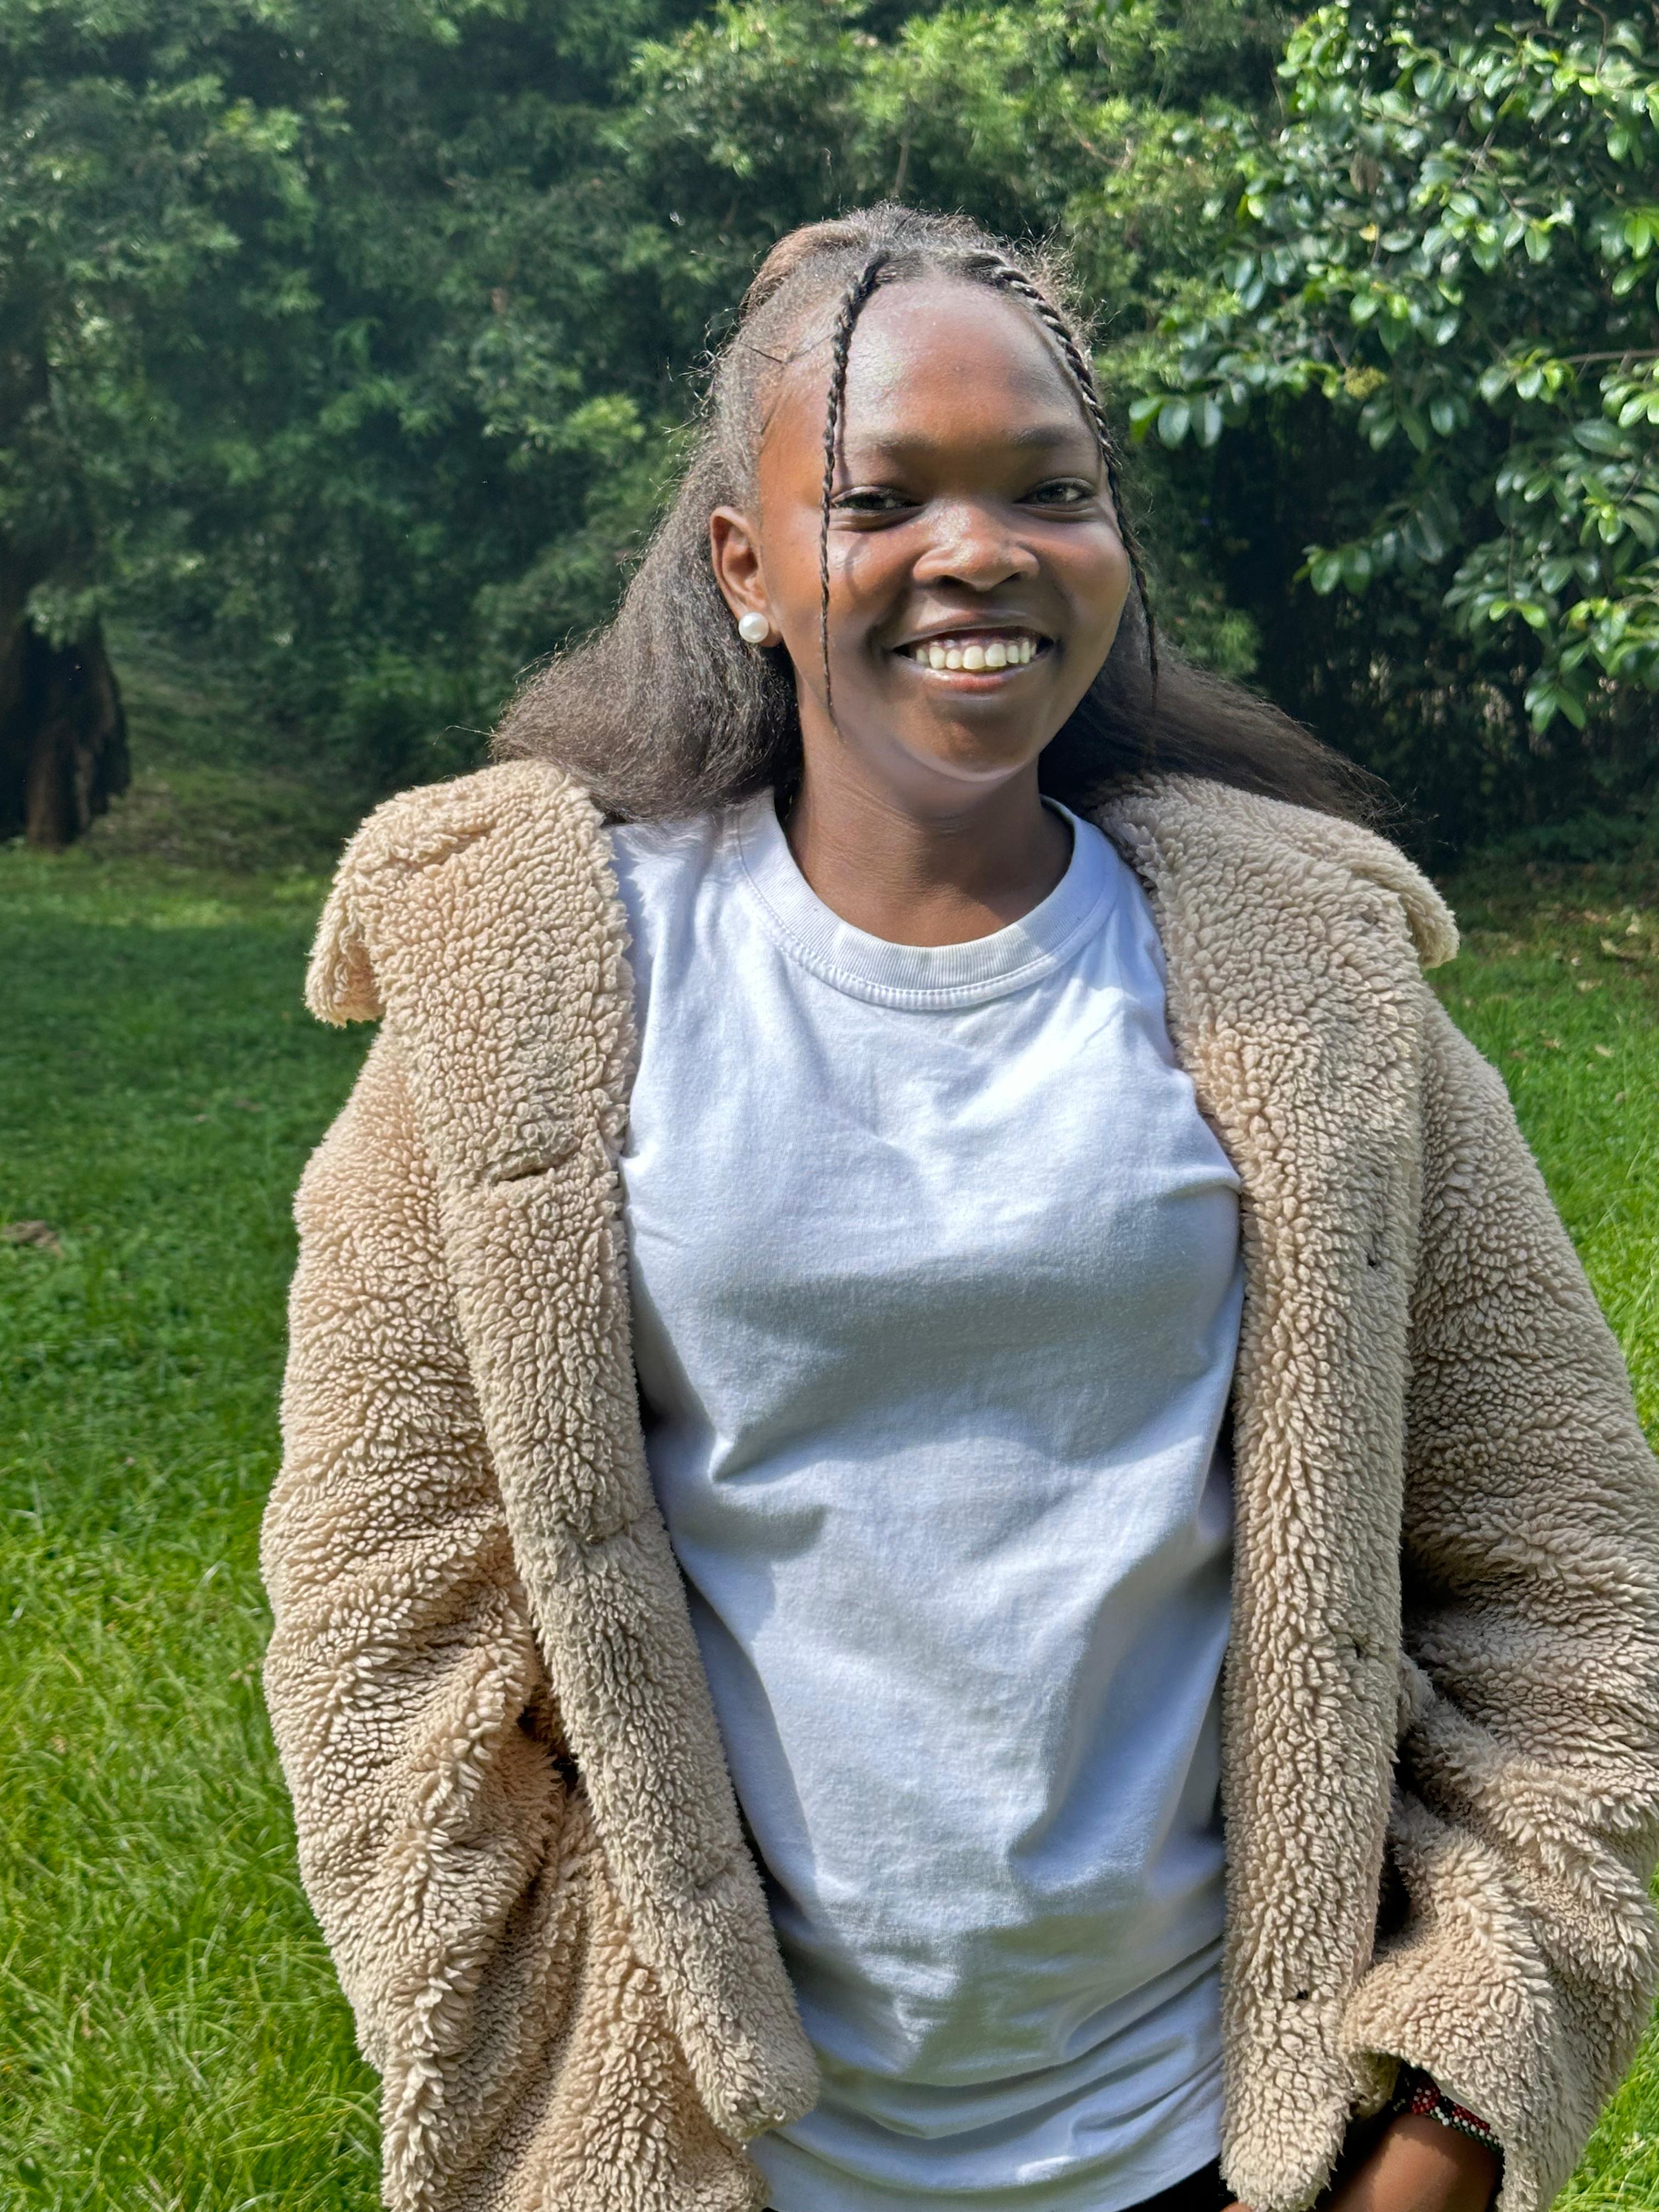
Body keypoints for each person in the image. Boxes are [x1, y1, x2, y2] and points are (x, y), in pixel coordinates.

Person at [259, 205, 1659, 2212]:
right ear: (745, 569)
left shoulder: (1314, 994)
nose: (978, 550)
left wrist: (1454, 2116)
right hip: (712, 2158)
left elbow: (1572, 1571)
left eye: (1050, 491)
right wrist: (526, 2064)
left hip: (1223, 2142)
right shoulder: (524, 996)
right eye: (882, 496)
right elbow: (379, 1610)